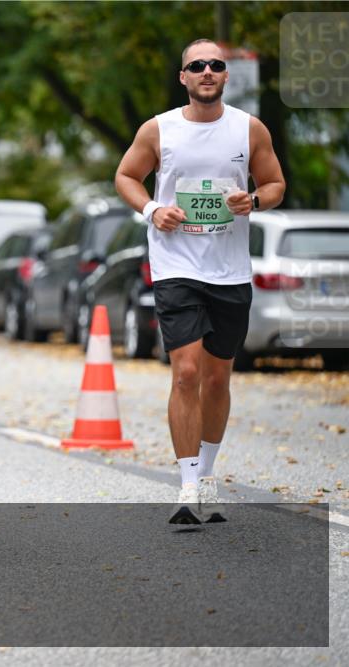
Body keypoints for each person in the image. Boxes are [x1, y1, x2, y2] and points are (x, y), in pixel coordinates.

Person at [115, 38, 285, 524]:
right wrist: (152, 209)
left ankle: (207, 475)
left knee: (216, 378)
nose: (207, 71)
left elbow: (275, 184)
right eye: (197, 66)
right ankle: (188, 485)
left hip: (229, 271)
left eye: (215, 65)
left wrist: (253, 200)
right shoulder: (159, 130)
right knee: (186, 372)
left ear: (225, 76)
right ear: (183, 78)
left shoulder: (248, 130)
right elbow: (126, 176)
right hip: (176, 267)